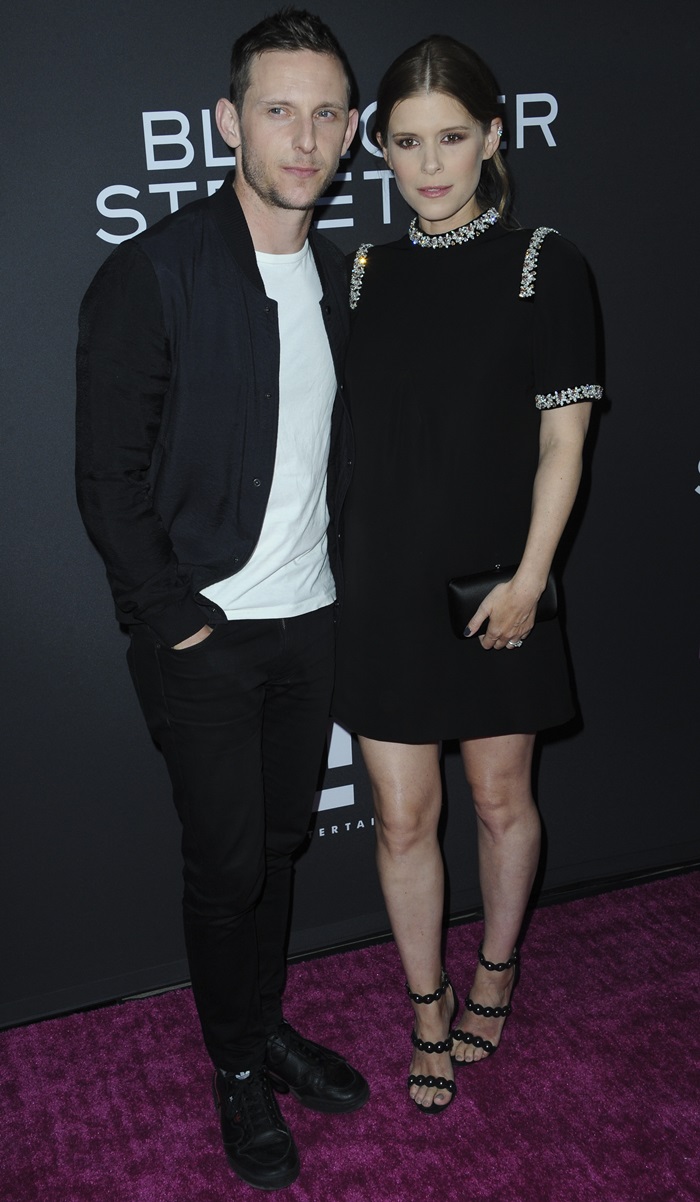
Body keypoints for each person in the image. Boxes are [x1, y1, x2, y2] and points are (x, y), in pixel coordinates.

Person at [76, 9, 366, 1191]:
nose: (304, 136)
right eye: (278, 109)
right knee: (228, 862)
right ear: (227, 122)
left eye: (326, 112)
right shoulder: (153, 271)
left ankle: (261, 1025)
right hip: (206, 634)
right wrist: (180, 616)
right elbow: (106, 476)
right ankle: (236, 1065)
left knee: (283, 846)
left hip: (313, 620)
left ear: (350, 131)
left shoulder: (346, 276)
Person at [333, 35, 602, 1115]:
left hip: (498, 583)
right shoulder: (362, 270)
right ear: (381, 149)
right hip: (384, 587)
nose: (430, 164)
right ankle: (426, 1000)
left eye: (452, 137)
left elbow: (563, 444)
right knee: (401, 818)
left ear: (494, 136)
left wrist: (533, 579)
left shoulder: (546, 261)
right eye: (407, 142)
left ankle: (494, 967)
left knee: (498, 798)